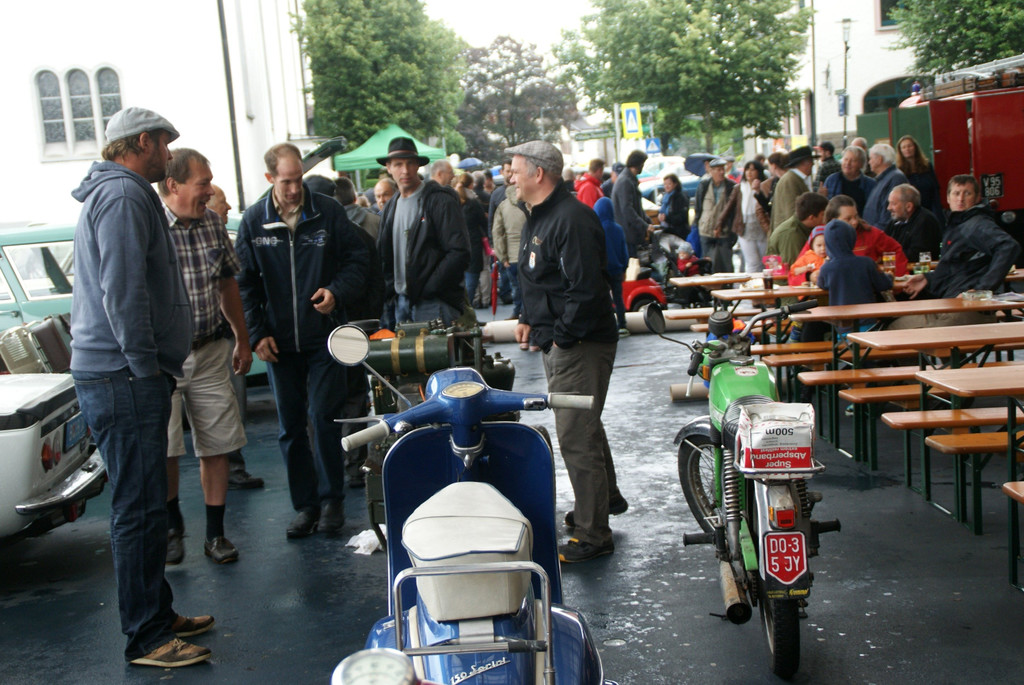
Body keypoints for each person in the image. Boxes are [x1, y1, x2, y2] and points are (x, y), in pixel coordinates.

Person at [70, 107, 213, 668]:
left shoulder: (119, 193)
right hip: (124, 376)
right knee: (139, 507)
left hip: (121, 373)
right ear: (143, 142)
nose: (169, 155)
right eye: (165, 144)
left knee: (149, 503)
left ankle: (156, 613)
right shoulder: (125, 196)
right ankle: (147, 638)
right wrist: (144, 366)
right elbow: (123, 290)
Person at [235, 142, 368, 538]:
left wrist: (336, 292)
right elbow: (244, 284)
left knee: (324, 418)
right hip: (278, 343)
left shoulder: (327, 211)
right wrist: (257, 334)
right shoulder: (254, 221)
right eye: (286, 182)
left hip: (323, 337)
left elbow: (357, 261)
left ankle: (331, 502)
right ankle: (305, 507)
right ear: (270, 178)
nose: (295, 189)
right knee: (291, 428)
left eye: (298, 180)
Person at [508, 140, 625, 563]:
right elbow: (539, 278)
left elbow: (587, 290)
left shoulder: (571, 219)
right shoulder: (540, 215)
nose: (510, 176)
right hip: (564, 340)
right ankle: (603, 501)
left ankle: (594, 534)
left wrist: (561, 337)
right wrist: (528, 316)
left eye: (515, 169)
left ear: (538, 173)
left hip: (580, 344)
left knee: (576, 435)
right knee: (583, 426)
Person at [158, 149, 250, 566]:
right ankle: (172, 525)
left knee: (218, 443)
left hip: (211, 350)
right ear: (173, 185)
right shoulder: (151, 227)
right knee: (166, 447)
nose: (210, 191)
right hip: (164, 358)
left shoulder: (213, 224)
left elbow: (228, 284)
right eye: (203, 183)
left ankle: (215, 534)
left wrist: (242, 338)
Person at [896, 175, 1020, 328]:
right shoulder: (959, 223)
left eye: (967, 193)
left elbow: (1009, 246)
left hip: (965, 310)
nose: (960, 199)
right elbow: (958, 267)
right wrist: (928, 278)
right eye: (956, 193)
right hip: (954, 304)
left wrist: (982, 289)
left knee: (893, 329)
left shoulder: (976, 224)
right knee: (894, 326)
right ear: (948, 198)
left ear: (977, 198)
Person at [206, 184, 265, 491]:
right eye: (223, 201)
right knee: (224, 408)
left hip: (224, 338)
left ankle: (232, 465)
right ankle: (230, 467)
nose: (228, 207)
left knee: (231, 408)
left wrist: (244, 337)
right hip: (208, 342)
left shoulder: (218, 237)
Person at [377, 137, 471, 327]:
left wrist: (428, 288)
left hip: (434, 302)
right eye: (398, 164)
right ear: (389, 167)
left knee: (437, 348)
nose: (405, 170)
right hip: (401, 301)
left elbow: (459, 252)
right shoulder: (390, 207)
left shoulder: (439, 201)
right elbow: (385, 257)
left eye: (410, 163)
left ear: (418, 166)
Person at [818, 219, 894, 333]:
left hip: (842, 326)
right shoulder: (866, 263)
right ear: (852, 239)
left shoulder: (827, 268)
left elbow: (821, 284)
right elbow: (884, 284)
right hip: (868, 322)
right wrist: (890, 277)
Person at [825, 194, 908, 276]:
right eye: (848, 219)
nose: (854, 222)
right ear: (833, 221)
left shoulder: (871, 234)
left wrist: (897, 277)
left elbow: (895, 250)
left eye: (856, 216)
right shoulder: (821, 238)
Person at [719, 160, 771, 274]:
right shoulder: (739, 188)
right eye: (747, 169)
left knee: (765, 261)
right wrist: (719, 224)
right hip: (744, 228)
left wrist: (758, 191)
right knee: (752, 263)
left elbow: (768, 207)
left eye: (753, 169)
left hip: (762, 228)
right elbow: (728, 207)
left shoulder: (765, 186)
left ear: (759, 172)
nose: (749, 172)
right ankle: (754, 284)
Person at [594, 197, 630, 336]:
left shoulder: (596, 230)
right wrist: (624, 268)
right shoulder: (618, 229)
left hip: (601, 271)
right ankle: (622, 324)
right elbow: (624, 252)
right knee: (618, 298)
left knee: (604, 299)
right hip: (617, 270)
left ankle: (607, 325)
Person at [492, 182, 526, 321]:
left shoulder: (503, 206)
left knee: (516, 287)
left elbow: (497, 233)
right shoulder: (529, 203)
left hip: (512, 256)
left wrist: (503, 257)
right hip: (528, 254)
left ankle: (517, 313)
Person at [696, 158, 737, 273]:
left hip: (724, 231)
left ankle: (728, 283)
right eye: (718, 170)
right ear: (711, 171)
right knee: (708, 265)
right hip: (706, 230)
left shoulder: (731, 186)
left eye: (723, 169)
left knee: (726, 265)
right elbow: (698, 208)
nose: (722, 172)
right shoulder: (704, 185)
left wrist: (732, 232)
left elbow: (734, 211)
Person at [766, 192, 828, 267]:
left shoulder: (807, 227)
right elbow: (795, 267)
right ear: (811, 217)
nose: (825, 218)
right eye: (823, 215)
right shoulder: (791, 234)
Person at [885, 183, 942, 264]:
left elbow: (915, 256)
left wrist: (887, 256)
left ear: (909, 206)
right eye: (889, 203)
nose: (889, 208)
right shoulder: (895, 221)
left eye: (893, 204)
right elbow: (882, 244)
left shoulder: (925, 221)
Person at [896, 134, 945, 225]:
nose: (907, 149)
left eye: (909, 146)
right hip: (913, 212)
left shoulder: (927, 166)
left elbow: (935, 188)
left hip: (931, 205)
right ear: (900, 151)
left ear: (915, 147)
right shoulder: (899, 171)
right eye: (904, 147)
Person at [456, 172, 488, 307]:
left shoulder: (454, 202)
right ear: (471, 185)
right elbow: (483, 222)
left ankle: (464, 307)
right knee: (472, 279)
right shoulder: (473, 203)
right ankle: (467, 308)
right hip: (473, 245)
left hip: (457, 245)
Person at [611, 149, 651, 257]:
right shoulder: (626, 181)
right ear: (638, 164)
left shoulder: (628, 179)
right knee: (633, 263)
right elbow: (627, 209)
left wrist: (647, 220)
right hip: (628, 234)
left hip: (629, 233)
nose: (643, 167)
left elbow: (636, 207)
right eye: (643, 164)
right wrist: (644, 225)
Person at [820, 145, 877, 217]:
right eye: (845, 159)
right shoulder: (832, 180)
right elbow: (826, 209)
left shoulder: (871, 184)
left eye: (853, 161)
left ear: (861, 164)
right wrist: (822, 197)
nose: (848, 163)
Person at [862, 143, 909, 229]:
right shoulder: (883, 179)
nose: (869, 162)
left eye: (871, 158)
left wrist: (875, 233)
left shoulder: (896, 178)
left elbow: (889, 215)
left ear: (879, 159)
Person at [771, 145, 817, 231]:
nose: (813, 164)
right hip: (790, 234)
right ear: (804, 162)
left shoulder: (796, 179)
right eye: (811, 161)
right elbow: (791, 214)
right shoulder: (790, 180)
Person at [657, 173, 690, 239]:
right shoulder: (665, 197)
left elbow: (682, 217)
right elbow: (662, 211)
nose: (666, 186)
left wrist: (666, 218)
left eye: (669, 184)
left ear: (675, 184)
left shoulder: (680, 197)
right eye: (665, 184)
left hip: (678, 232)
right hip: (666, 229)